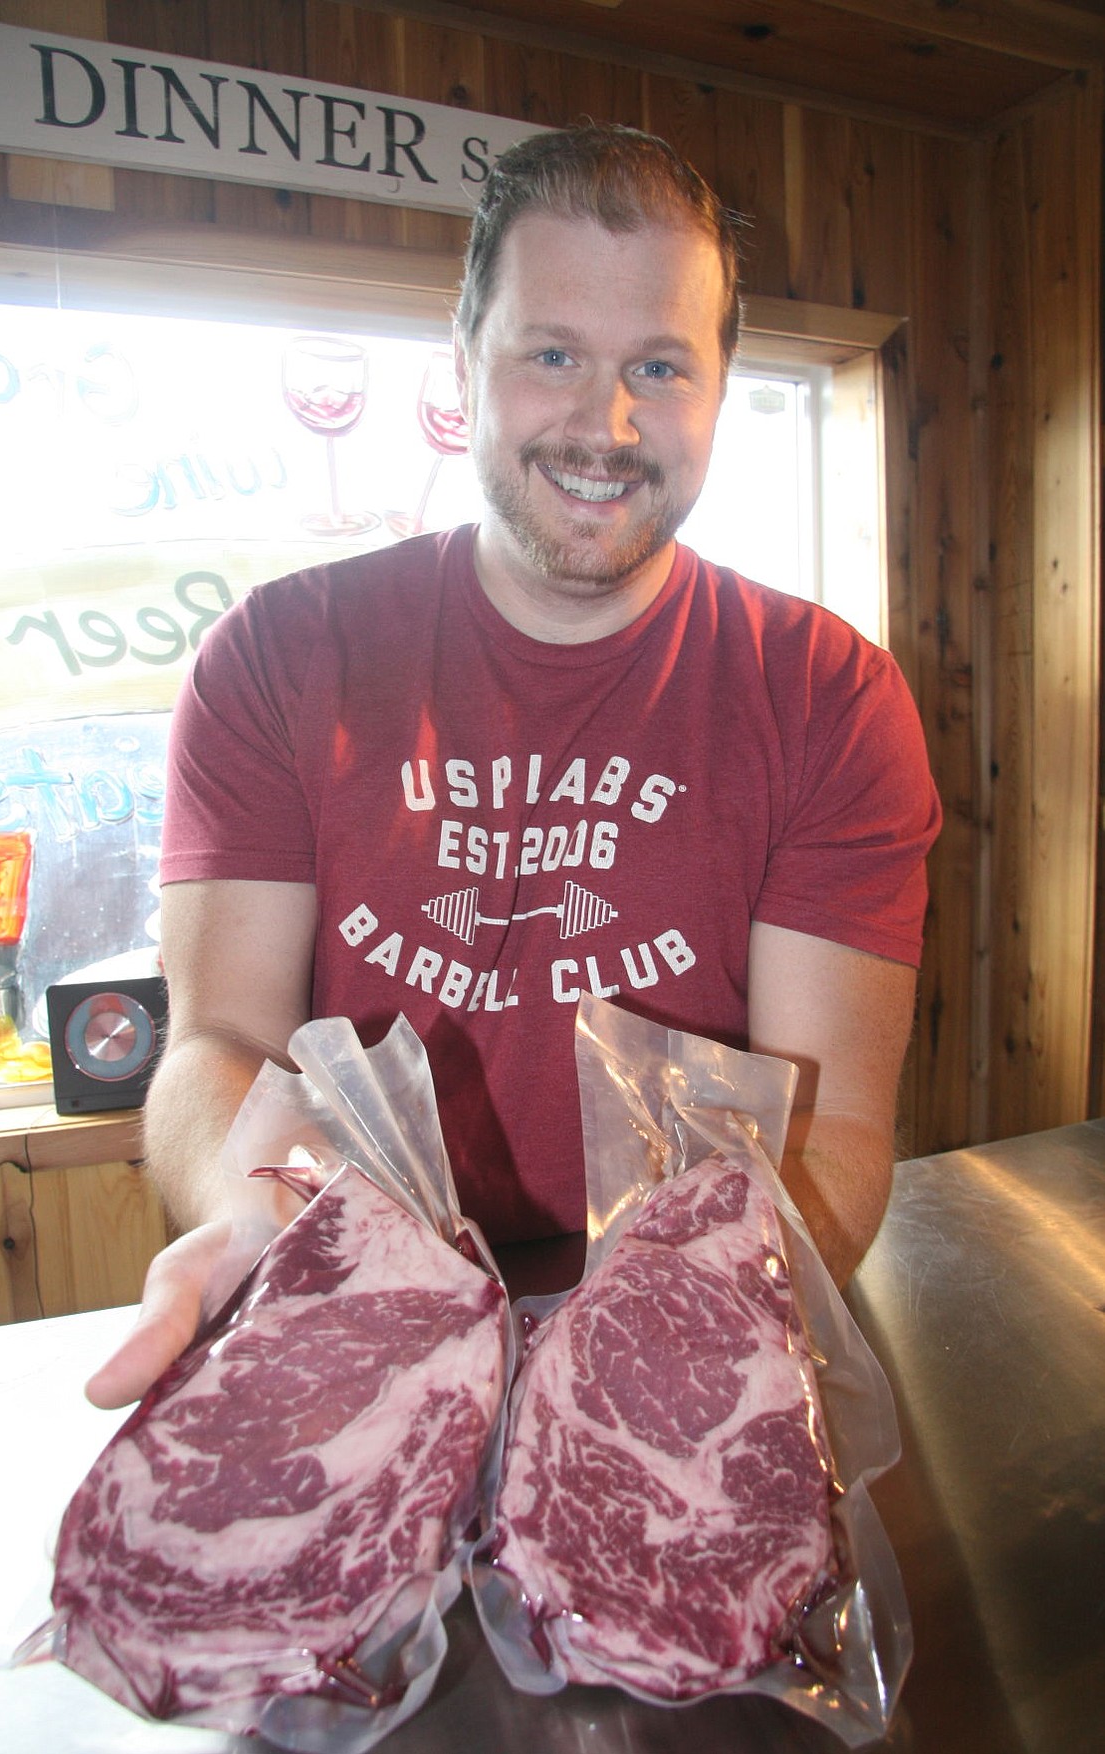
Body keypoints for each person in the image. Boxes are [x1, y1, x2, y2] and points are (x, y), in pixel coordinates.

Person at [87, 123, 940, 1410]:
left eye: (659, 366)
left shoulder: (830, 698)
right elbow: (217, 1038)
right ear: (464, 358)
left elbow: (836, 1128)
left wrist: (657, 1355)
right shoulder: (275, 657)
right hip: (356, 1337)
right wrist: (270, 1210)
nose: (604, 423)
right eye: (553, 355)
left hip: (683, 1347)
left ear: (720, 382)